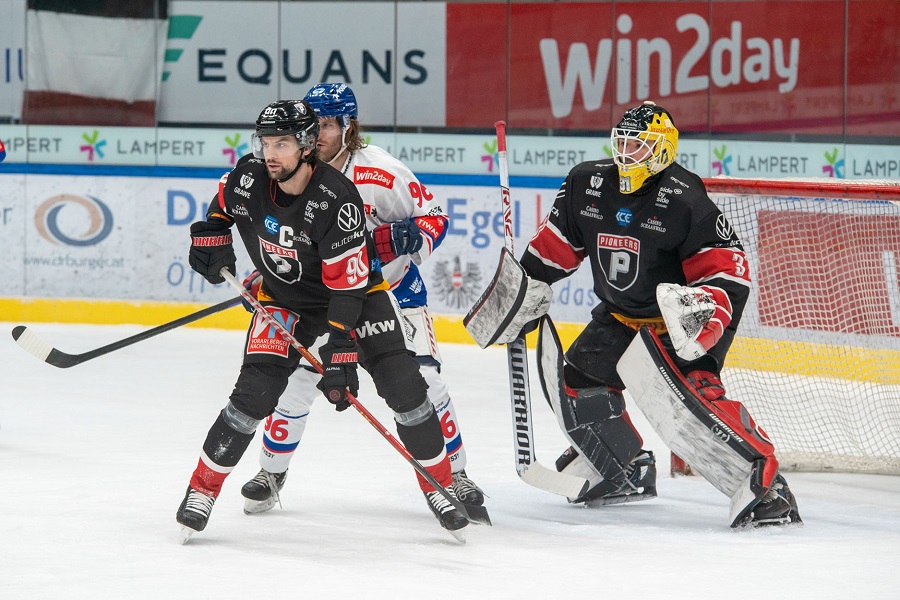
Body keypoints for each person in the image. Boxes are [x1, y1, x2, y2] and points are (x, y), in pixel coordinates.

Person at [176, 99, 468, 541]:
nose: (270, 153)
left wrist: (341, 347)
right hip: (284, 301)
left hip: (356, 297)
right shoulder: (248, 176)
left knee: (405, 388)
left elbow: (346, 288)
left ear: (307, 145)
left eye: (282, 144)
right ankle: (202, 490)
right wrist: (211, 232)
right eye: (265, 143)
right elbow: (222, 202)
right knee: (252, 396)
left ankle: (440, 486)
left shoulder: (336, 198)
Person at [516, 101, 801, 526]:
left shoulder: (685, 198)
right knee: (578, 381)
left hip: (678, 322)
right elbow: (555, 247)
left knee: (692, 402)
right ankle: (624, 467)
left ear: (663, 149)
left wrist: (702, 319)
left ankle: (769, 488)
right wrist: (522, 286)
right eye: (622, 143)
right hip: (620, 315)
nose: (626, 153)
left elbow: (728, 273)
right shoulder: (586, 184)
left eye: (638, 145)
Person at [238, 83, 484, 514]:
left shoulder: (381, 173)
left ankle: (455, 474)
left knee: (425, 382)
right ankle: (271, 472)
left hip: (389, 294)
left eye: (327, 124)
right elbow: (279, 237)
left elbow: (435, 218)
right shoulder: (285, 171)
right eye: (312, 123)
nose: (318, 132)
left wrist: (408, 237)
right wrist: (267, 275)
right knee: (294, 382)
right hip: (318, 301)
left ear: (348, 126)